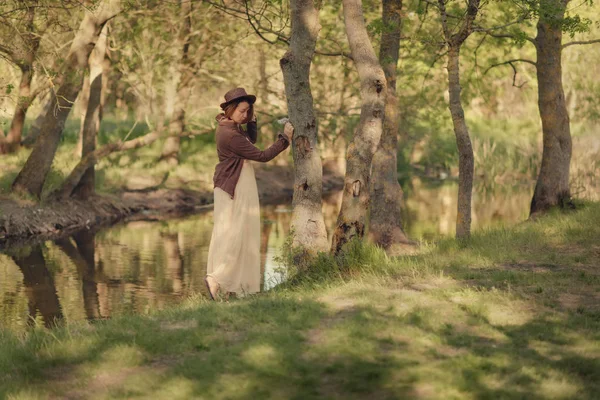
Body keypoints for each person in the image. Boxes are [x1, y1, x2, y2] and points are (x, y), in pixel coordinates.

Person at [205, 87, 294, 300]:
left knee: (236, 234)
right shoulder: (230, 134)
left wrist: (251, 122)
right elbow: (261, 155)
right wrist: (285, 139)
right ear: (230, 109)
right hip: (233, 187)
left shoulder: (230, 126)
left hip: (234, 184)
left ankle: (228, 289)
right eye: (241, 111)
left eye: (247, 111)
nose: (244, 115)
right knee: (233, 236)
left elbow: (250, 142)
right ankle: (215, 279)